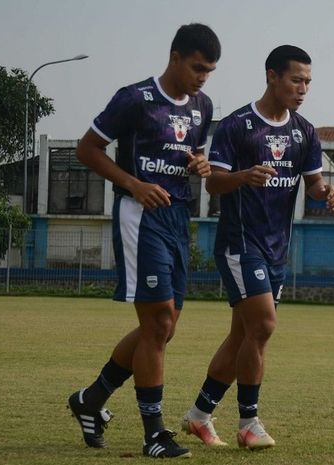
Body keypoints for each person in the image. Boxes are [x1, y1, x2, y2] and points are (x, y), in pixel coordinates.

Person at [67, 23, 220, 459]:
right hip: (140, 215)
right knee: (156, 325)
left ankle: (91, 400)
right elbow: (87, 149)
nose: (202, 78)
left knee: (164, 327)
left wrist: (200, 165)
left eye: (209, 71)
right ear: (174, 57)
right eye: (197, 68)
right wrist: (133, 184)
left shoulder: (202, 106)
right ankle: (154, 432)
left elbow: (192, 154)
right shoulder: (134, 98)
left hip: (177, 217)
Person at [180, 45, 334, 450]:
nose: (302, 89)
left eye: (308, 82)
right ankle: (249, 423)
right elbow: (213, 183)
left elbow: (314, 183)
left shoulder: (304, 131)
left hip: (275, 249)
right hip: (240, 244)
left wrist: (326, 191)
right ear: (272, 76)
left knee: (243, 337)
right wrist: (244, 176)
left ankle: (199, 416)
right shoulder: (237, 126)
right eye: (295, 80)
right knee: (264, 326)